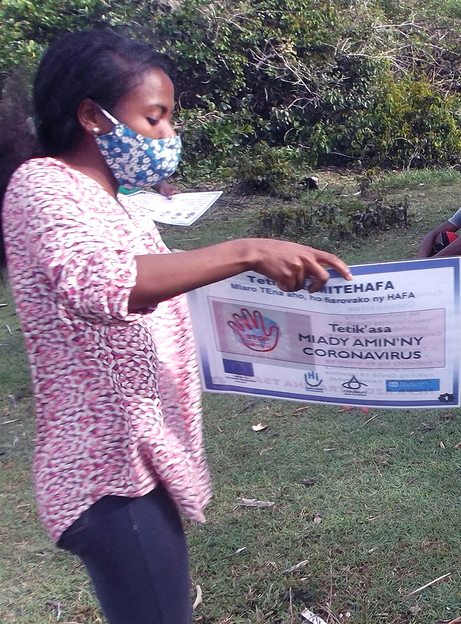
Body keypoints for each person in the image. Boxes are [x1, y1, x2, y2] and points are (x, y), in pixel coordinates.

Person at [0, 30, 352, 624]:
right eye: (155, 119)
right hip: (110, 470)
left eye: (170, 121)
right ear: (92, 116)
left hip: (143, 458)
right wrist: (244, 250)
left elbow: (163, 291)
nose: (167, 137)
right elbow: (100, 286)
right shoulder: (42, 185)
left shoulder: (115, 201)